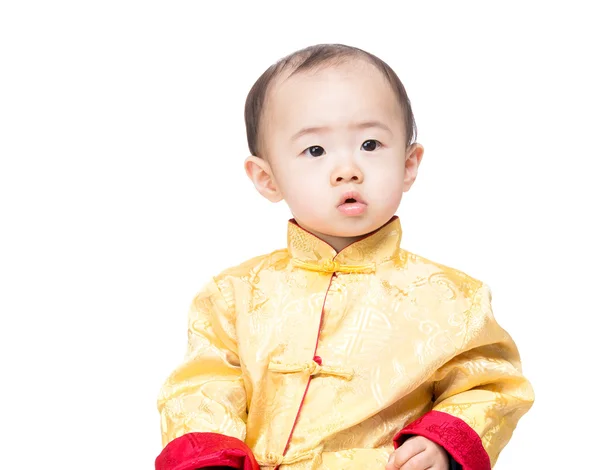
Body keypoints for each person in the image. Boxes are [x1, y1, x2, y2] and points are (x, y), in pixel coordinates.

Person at [155, 44, 534, 470]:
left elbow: (492, 384)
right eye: (315, 151)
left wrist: (444, 442)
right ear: (267, 178)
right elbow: (202, 386)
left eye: (371, 144)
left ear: (409, 164)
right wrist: (211, 459)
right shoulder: (233, 295)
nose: (348, 169)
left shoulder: (453, 299)